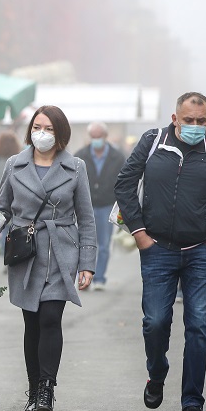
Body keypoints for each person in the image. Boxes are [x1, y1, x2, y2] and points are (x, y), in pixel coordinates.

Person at [114, 92, 206, 411]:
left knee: (199, 326)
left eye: (201, 121)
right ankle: (157, 373)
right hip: (157, 249)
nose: (195, 126)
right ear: (175, 118)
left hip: (201, 252)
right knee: (155, 322)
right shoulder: (153, 142)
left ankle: (192, 400)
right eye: (189, 120)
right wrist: (140, 234)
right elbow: (125, 185)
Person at [0, 105, 96, 411]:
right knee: (31, 322)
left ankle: (46, 389)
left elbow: (86, 218)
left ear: (60, 134)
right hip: (24, 251)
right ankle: (33, 389)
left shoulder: (76, 167)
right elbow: (2, 206)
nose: (40, 134)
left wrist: (87, 262)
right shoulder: (15, 164)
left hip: (61, 249)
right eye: (36, 127)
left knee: (50, 317)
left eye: (48, 129)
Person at [74, 121, 126, 290]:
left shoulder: (117, 157)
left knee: (103, 244)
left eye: (99, 136)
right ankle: (83, 278)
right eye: (93, 136)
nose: (96, 139)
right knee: (84, 243)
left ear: (105, 137)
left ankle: (99, 278)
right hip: (84, 206)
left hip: (106, 205)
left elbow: (123, 181)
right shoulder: (80, 155)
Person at [0, 131, 22, 255]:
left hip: (0, 203)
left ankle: (7, 254)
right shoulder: (19, 162)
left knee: (5, 229)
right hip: (17, 204)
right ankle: (14, 254)